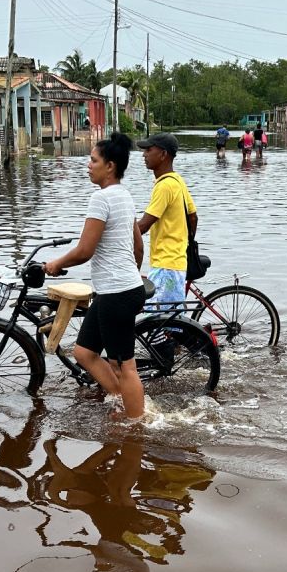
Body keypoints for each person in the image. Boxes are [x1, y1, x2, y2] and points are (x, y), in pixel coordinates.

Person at [44, 133, 148, 420]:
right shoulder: (124, 196)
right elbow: (138, 244)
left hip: (118, 292)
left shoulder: (101, 199)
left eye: (93, 160)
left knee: (124, 366)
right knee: (84, 352)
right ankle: (121, 401)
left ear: (110, 166)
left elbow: (84, 250)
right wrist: (133, 274)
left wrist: (56, 264)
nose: (88, 165)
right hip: (118, 289)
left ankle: (137, 425)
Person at [136, 132, 197, 313]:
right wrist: (184, 242)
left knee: (156, 325)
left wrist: (116, 236)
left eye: (148, 150)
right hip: (175, 260)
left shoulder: (164, 186)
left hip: (166, 265)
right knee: (168, 324)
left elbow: (144, 225)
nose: (144, 154)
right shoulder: (177, 180)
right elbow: (193, 216)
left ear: (163, 154)